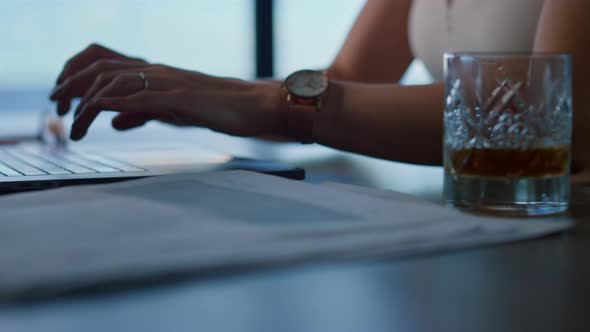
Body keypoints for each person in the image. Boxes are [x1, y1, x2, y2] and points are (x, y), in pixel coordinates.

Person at [49, 0, 590, 168]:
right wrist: (191, 90)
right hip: (494, 218)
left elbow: (553, 109)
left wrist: (247, 101)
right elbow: (350, 80)